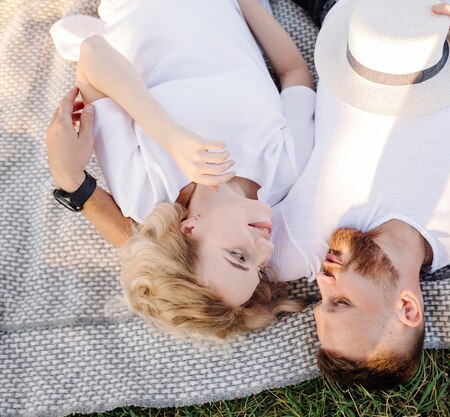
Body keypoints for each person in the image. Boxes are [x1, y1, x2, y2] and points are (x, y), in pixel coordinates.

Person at [272, 0, 450, 388]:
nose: (322, 283)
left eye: (321, 302)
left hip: (349, 17)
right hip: (448, 12)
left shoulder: (298, 244)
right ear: (407, 306)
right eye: (340, 302)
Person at [46, 0, 316, 339]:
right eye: (259, 269)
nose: (266, 249)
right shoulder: (286, 170)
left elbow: (93, 53)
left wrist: (169, 134)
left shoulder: (142, 189)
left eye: (239, 256)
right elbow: (294, 72)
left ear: (189, 229)